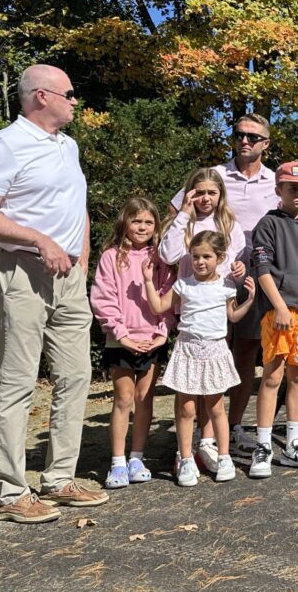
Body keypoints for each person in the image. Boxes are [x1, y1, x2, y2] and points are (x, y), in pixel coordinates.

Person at [0, 64, 108, 523]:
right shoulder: (7, 144)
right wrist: (37, 239)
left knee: (76, 375)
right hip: (22, 271)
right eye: (69, 93)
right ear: (41, 97)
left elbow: (76, 206)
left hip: (68, 277)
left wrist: (81, 259)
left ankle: (59, 478)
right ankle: (10, 493)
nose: (75, 100)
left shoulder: (69, 146)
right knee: (19, 379)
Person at [169, 114, 278, 461]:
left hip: (245, 282)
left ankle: (230, 428)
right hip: (202, 287)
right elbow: (177, 212)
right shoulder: (215, 176)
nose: (244, 140)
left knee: (244, 354)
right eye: (239, 134)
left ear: (265, 144)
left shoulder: (274, 182)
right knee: (206, 356)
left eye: (252, 136)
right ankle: (204, 438)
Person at [144, 231, 257, 486]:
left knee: (215, 407)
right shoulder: (183, 284)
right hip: (187, 350)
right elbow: (158, 307)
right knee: (186, 408)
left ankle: (224, 456)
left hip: (215, 350)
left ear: (219, 258)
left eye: (206, 256)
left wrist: (249, 299)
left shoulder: (226, 286)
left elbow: (233, 317)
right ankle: (186, 459)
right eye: (195, 256)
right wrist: (149, 281)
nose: (200, 261)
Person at [161, 168, 246, 473]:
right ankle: (186, 454)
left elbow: (231, 262)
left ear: (220, 194)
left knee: (212, 390)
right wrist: (183, 214)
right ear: (190, 194)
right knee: (188, 389)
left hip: (216, 311)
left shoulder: (228, 223)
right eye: (200, 192)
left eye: (212, 192)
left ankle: (208, 444)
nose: (206, 198)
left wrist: (238, 272)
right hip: (189, 309)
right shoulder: (184, 221)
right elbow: (168, 255)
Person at [248, 161, 298, 478]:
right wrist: (279, 306)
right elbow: (262, 269)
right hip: (279, 314)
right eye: (293, 188)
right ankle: (263, 445)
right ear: (279, 189)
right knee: (272, 376)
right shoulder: (268, 225)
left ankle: (294, 445)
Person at [89, 197, 173, 489]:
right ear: (124, 222)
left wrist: (163, 330)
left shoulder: (160, 259)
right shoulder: (111, 257)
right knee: (123, 398)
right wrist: (121, 334)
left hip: (153, 339)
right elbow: (103, 298)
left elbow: (169, 297)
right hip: (120, 341)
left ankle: (137, 457)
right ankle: (117, 462)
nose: (142, 227)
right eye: (136, 221)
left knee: (144, 399)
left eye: (148, 222)